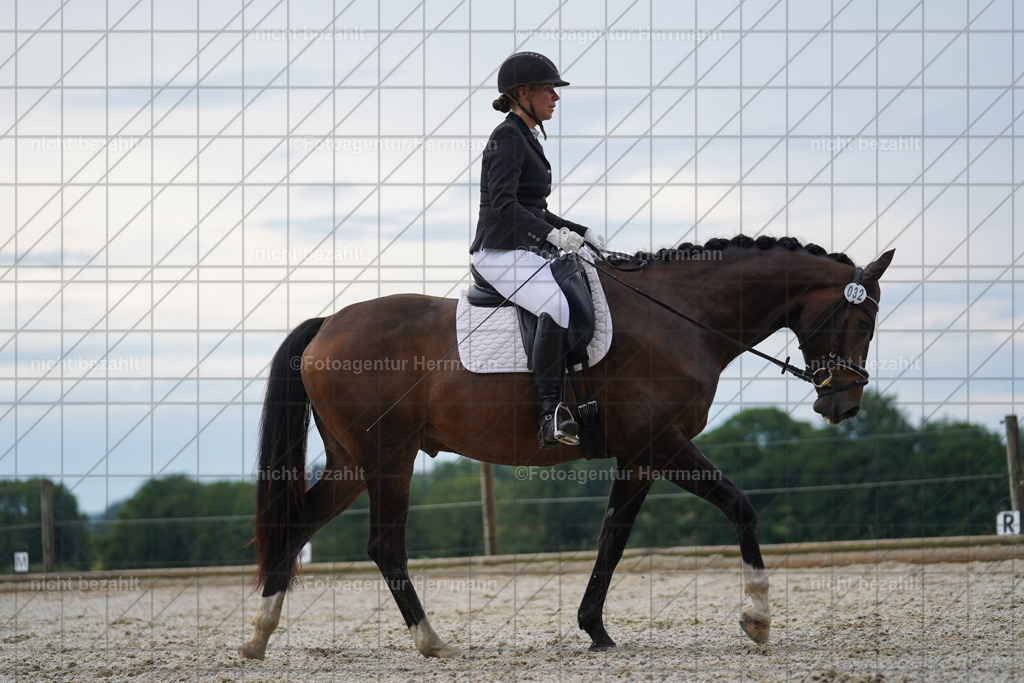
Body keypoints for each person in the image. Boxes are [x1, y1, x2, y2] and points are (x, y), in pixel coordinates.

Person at [469, 51, 604, 449]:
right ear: (522, 93)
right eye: (549, 90)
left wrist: (579, 231)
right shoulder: (507, 136)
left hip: (522, 249)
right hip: (496, 252)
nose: (555, 98)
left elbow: (536, 209)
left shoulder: (526, 136)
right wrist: (551, 236)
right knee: (554, 305)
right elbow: (504, 204)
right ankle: (550, 414)